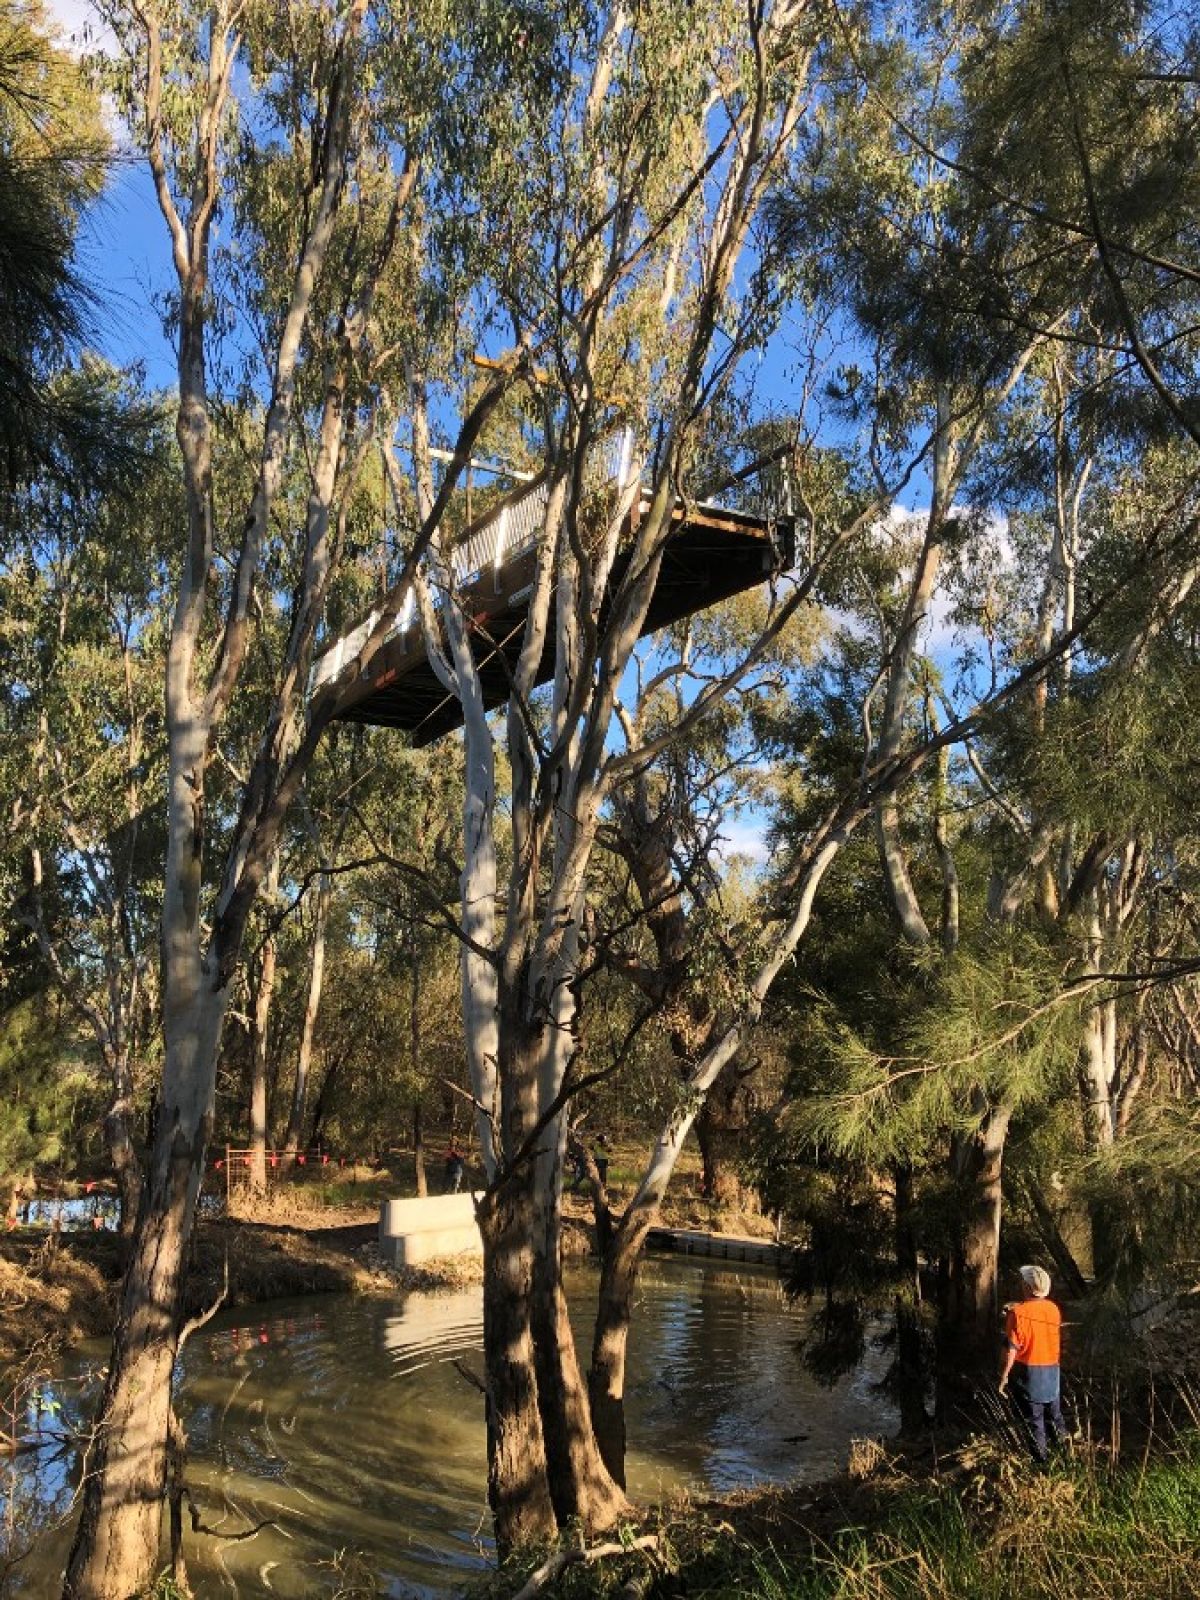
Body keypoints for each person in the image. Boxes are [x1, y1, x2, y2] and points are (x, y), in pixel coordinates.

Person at [999, 1263, 1067, 1462]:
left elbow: (1012, 1349)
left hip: (1028, 1372)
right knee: (1055, 1416)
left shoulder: (1017, 1314)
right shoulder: (1053, 1309)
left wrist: (1003, 1376)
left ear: (1028, 1287)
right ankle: (1065, 1457)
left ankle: (1041, 1464)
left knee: (1034, 1421)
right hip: (1052, 1370)